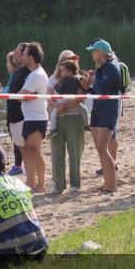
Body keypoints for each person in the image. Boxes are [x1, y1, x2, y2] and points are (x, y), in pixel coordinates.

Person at [80, 39, 123, 193]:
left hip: (108, 110)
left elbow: (101, 86)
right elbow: (96, 91)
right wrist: (86, 87)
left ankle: (112, 185)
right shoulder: (100, 68)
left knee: (103, 149)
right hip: (98, 109)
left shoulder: (111, 67)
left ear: (101, 52)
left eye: (94, 51)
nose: (92, 53)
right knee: (100, 149)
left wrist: (91, 82)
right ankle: (107, 183)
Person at [49, 58, 85, 194]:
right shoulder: (53, 79)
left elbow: (80, 97)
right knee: (57, 152)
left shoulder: (78, 79)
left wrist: (66, 107)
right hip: (58, 117)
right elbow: (48, 96)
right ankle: (58, 184)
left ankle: (75, 184)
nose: (61, 70)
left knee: (74, 151)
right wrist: (58, 107)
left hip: (74, 117)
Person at [18, 42, 49, 191]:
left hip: (37, 118)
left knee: (35, 151)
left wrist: (25, 96)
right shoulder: (33, 74)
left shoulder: (36, 74)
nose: (22, 57)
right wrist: (25, 96)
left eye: (25, 54)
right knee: (29, 151)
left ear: (31, 57)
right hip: (30, 117)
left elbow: (20, 96)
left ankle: (41, 184)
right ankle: (31, 182)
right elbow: (23, 96)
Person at [5, 43, 29, 176]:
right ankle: (21, 167)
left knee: (24, 147)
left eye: (17, 52)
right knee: (17, 143)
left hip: (21, 115)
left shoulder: (28, 72)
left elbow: (24, 95)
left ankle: (24, 169)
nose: (15, 54)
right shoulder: (17, 73)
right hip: (13, 115)